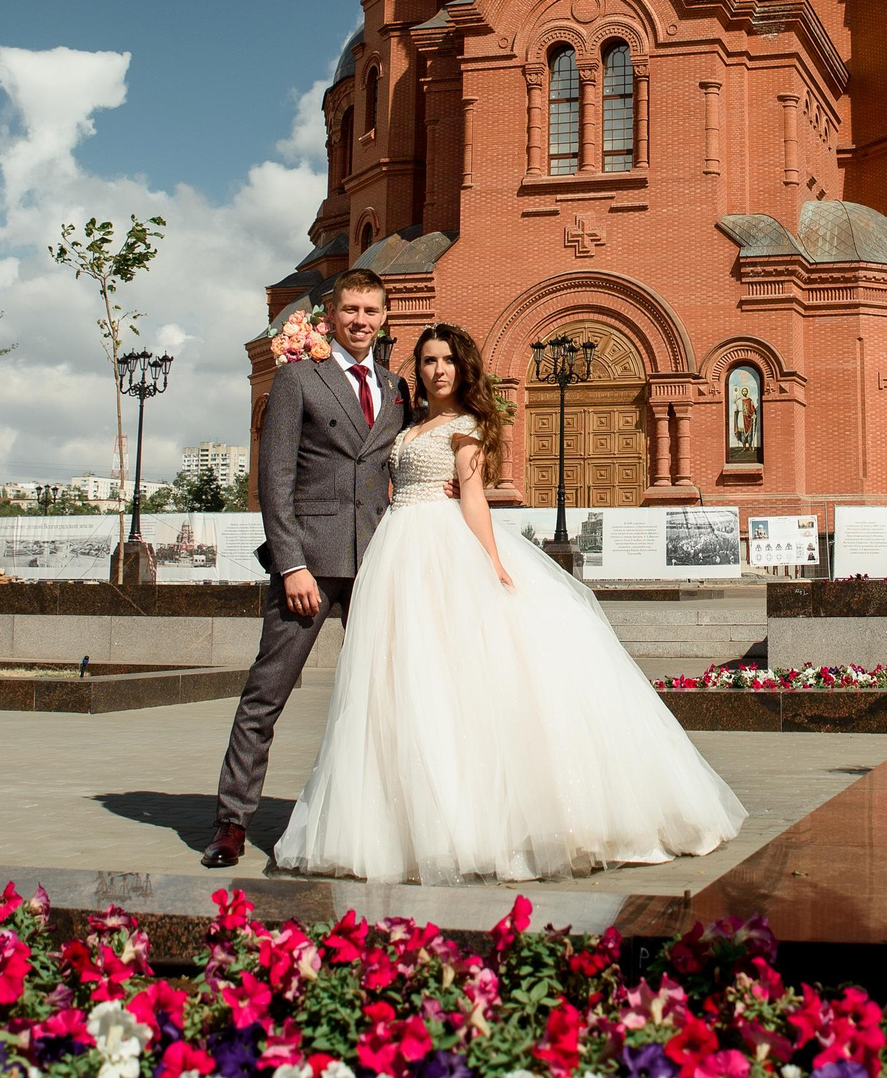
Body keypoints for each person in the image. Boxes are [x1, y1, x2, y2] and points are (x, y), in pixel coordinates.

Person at [276, 321, 747, 883]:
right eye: (428, 361)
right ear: (416, 370)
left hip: (441, 549)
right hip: (398, 553)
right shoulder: (408, 421)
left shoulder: (466, 427)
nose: (438, 370)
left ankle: (476, 820)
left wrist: (492, 561)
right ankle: (408, 818)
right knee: (408, 678)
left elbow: (473, 498)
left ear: (463, 368)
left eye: (448, 360)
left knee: (462, 675)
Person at [203, 268, 406, 870]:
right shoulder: (298, 378)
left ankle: (383, 818)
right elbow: (275, 479)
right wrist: (291, 564)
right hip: (309, 567)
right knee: (266, 694)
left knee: (383, 697)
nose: (361, 321)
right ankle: (232, 822)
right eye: (351, 310)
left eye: (371, 311)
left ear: (385, 318)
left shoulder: (396, 387)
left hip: (374, 564)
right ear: (331, 314)